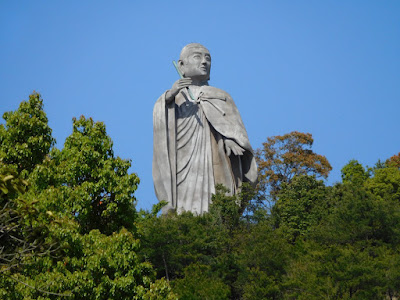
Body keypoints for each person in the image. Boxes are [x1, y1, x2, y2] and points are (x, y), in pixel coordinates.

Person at [153, 43, 257, 214]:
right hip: (183, 161)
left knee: (218, 197)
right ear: (181, 65)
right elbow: (161, 125)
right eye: (197, 57)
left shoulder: (221, 96)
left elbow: (231, 127)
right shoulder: (174, 96)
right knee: (184, 205)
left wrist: (230, 139)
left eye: (207, 58)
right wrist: (170, 95)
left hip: (215, 157)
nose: (204, 62)